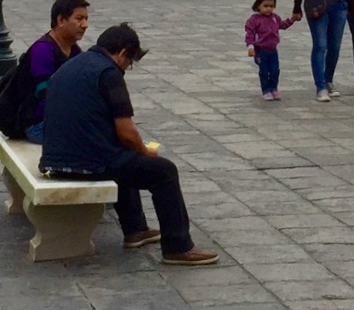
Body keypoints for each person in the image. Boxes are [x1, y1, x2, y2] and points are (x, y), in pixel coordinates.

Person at [38, 23, 220, 266]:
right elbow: (127, 132)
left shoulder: (70, 65)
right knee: (163, 171)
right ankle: (178, 246)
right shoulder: (109, 73)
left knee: (123, 158)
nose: (127, 67)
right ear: (122, 53)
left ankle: (136, 229)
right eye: (130, 62)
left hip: (55, 160)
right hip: (87, 164)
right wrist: (146, 151)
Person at [21, 0, 91, 139]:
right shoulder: (43, 50)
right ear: (60, 20)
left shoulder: (74, 50)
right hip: (38, 124)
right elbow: (46, 99)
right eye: (79, 19)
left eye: (86, 19)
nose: (85, 25)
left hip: (62, 119)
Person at [244, 0, 298, 101]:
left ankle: (274, 88)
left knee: (275, 70)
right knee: (264, 71)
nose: (269, 9)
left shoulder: (275, 18)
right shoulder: (254, 20)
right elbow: (250, 35)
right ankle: (266, 90)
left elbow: (283, 25)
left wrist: (292, 19)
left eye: (271, 6)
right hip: (261, 50)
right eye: (265, 6)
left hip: (273, 50)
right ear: (258, 6)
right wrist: (251, 47)